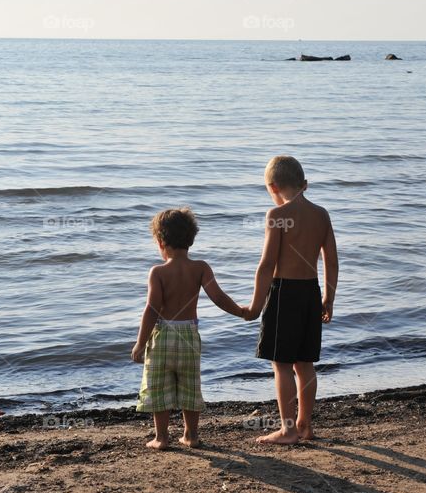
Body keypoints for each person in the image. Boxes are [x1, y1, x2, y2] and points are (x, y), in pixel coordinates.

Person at [131, 208, 246, 450]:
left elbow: (151, 309)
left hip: (162, 336)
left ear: (161, 242)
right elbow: (218, 297)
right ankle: (191, 435)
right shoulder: (201, 268)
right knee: (190, 386)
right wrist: (241, 311)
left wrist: (140, 343)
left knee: (158, 387)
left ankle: (161, 438)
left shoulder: (158, 272)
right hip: (188, 336)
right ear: (191, 239)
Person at [246, 156, 338, 444]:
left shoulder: (276, 215)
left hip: (284, 293)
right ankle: (306, 425)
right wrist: (328, 297)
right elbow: (331, 261)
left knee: (282, 365)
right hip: (310, 292)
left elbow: (266, 264)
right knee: (305, 363)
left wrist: (255, 304)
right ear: (303, 183)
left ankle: (287, 429)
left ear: (273, 186)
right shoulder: (322, 214)